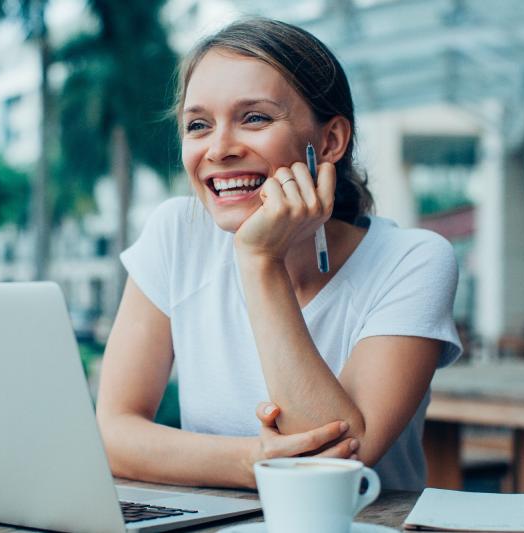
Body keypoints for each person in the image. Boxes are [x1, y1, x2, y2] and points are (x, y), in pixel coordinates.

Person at [96, 18, 461, 491]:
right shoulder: (177, 233)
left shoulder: (414, 261)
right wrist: (251, 461)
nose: (220, 149)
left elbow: (335, 468)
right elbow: (112, 433)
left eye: (255, 118)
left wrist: (260, 262)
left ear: (329, 142)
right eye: (198, 125)